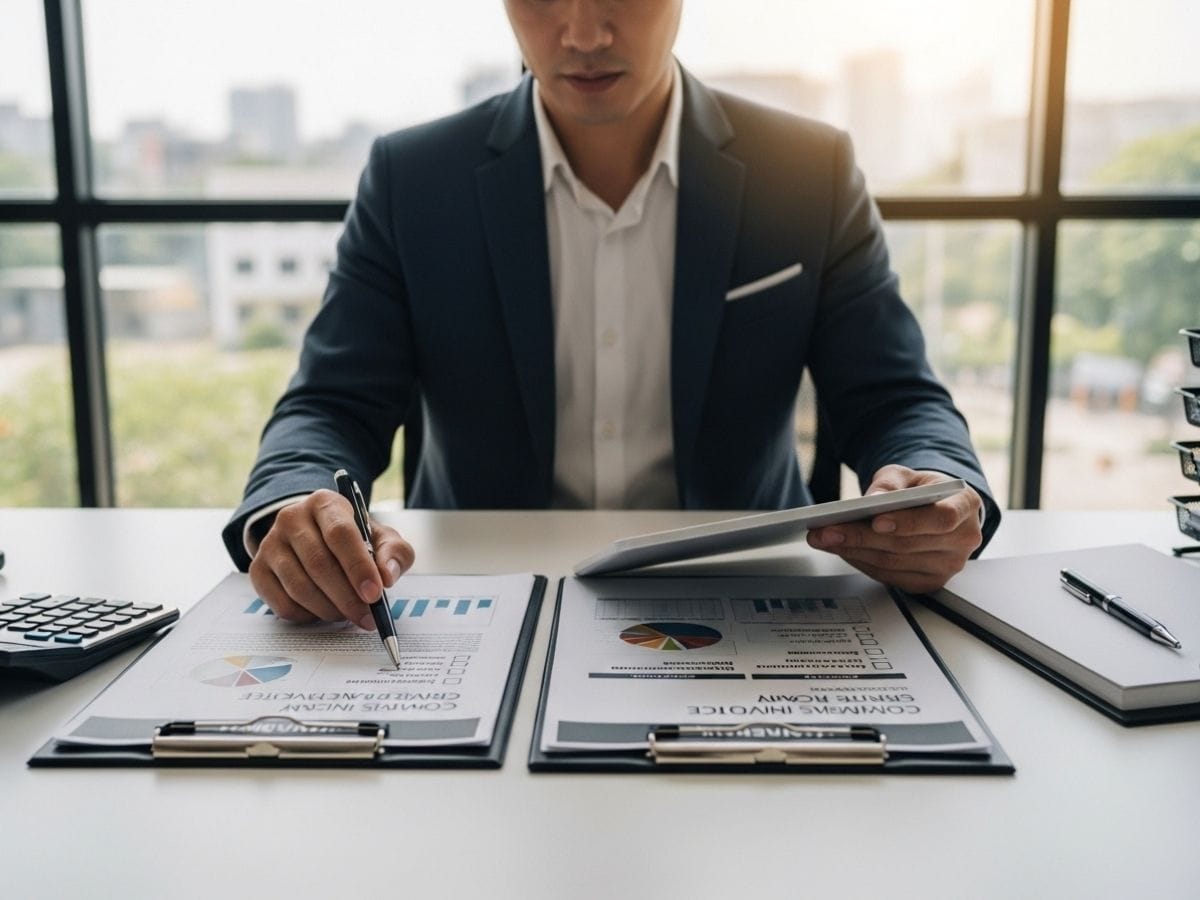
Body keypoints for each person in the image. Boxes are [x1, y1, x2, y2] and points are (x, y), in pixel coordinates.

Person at [222, 0, 1001, 629]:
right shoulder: (412, 181)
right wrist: (295, 504)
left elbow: (895, 398)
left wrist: (937, 486)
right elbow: (331, 405)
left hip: (746, 596)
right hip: (484, 605)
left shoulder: (807, 171)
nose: (584, 32)